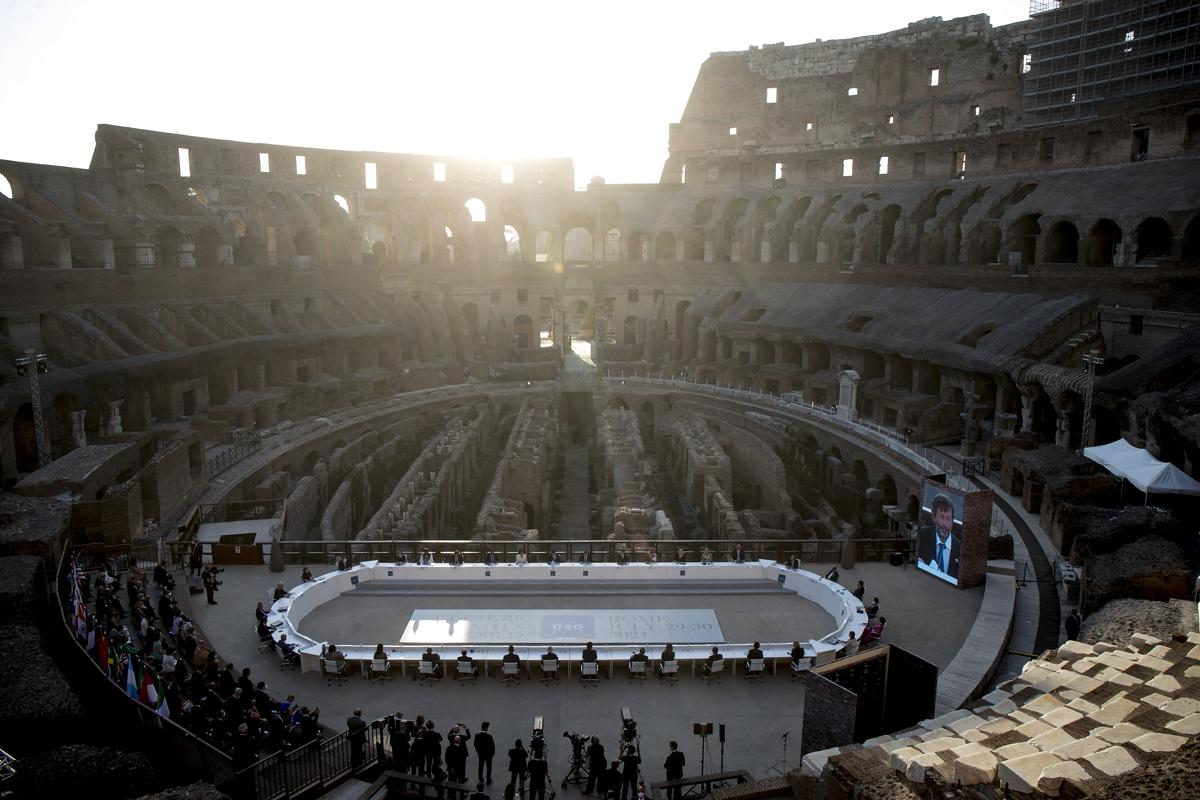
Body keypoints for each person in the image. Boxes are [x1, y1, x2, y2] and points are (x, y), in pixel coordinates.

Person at [916, 492, 961, 580]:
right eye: (941, 517)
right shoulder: (923, 535)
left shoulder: (960, 548)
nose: (945, 524)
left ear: (952, 521)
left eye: (948, 518)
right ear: (933, 517)